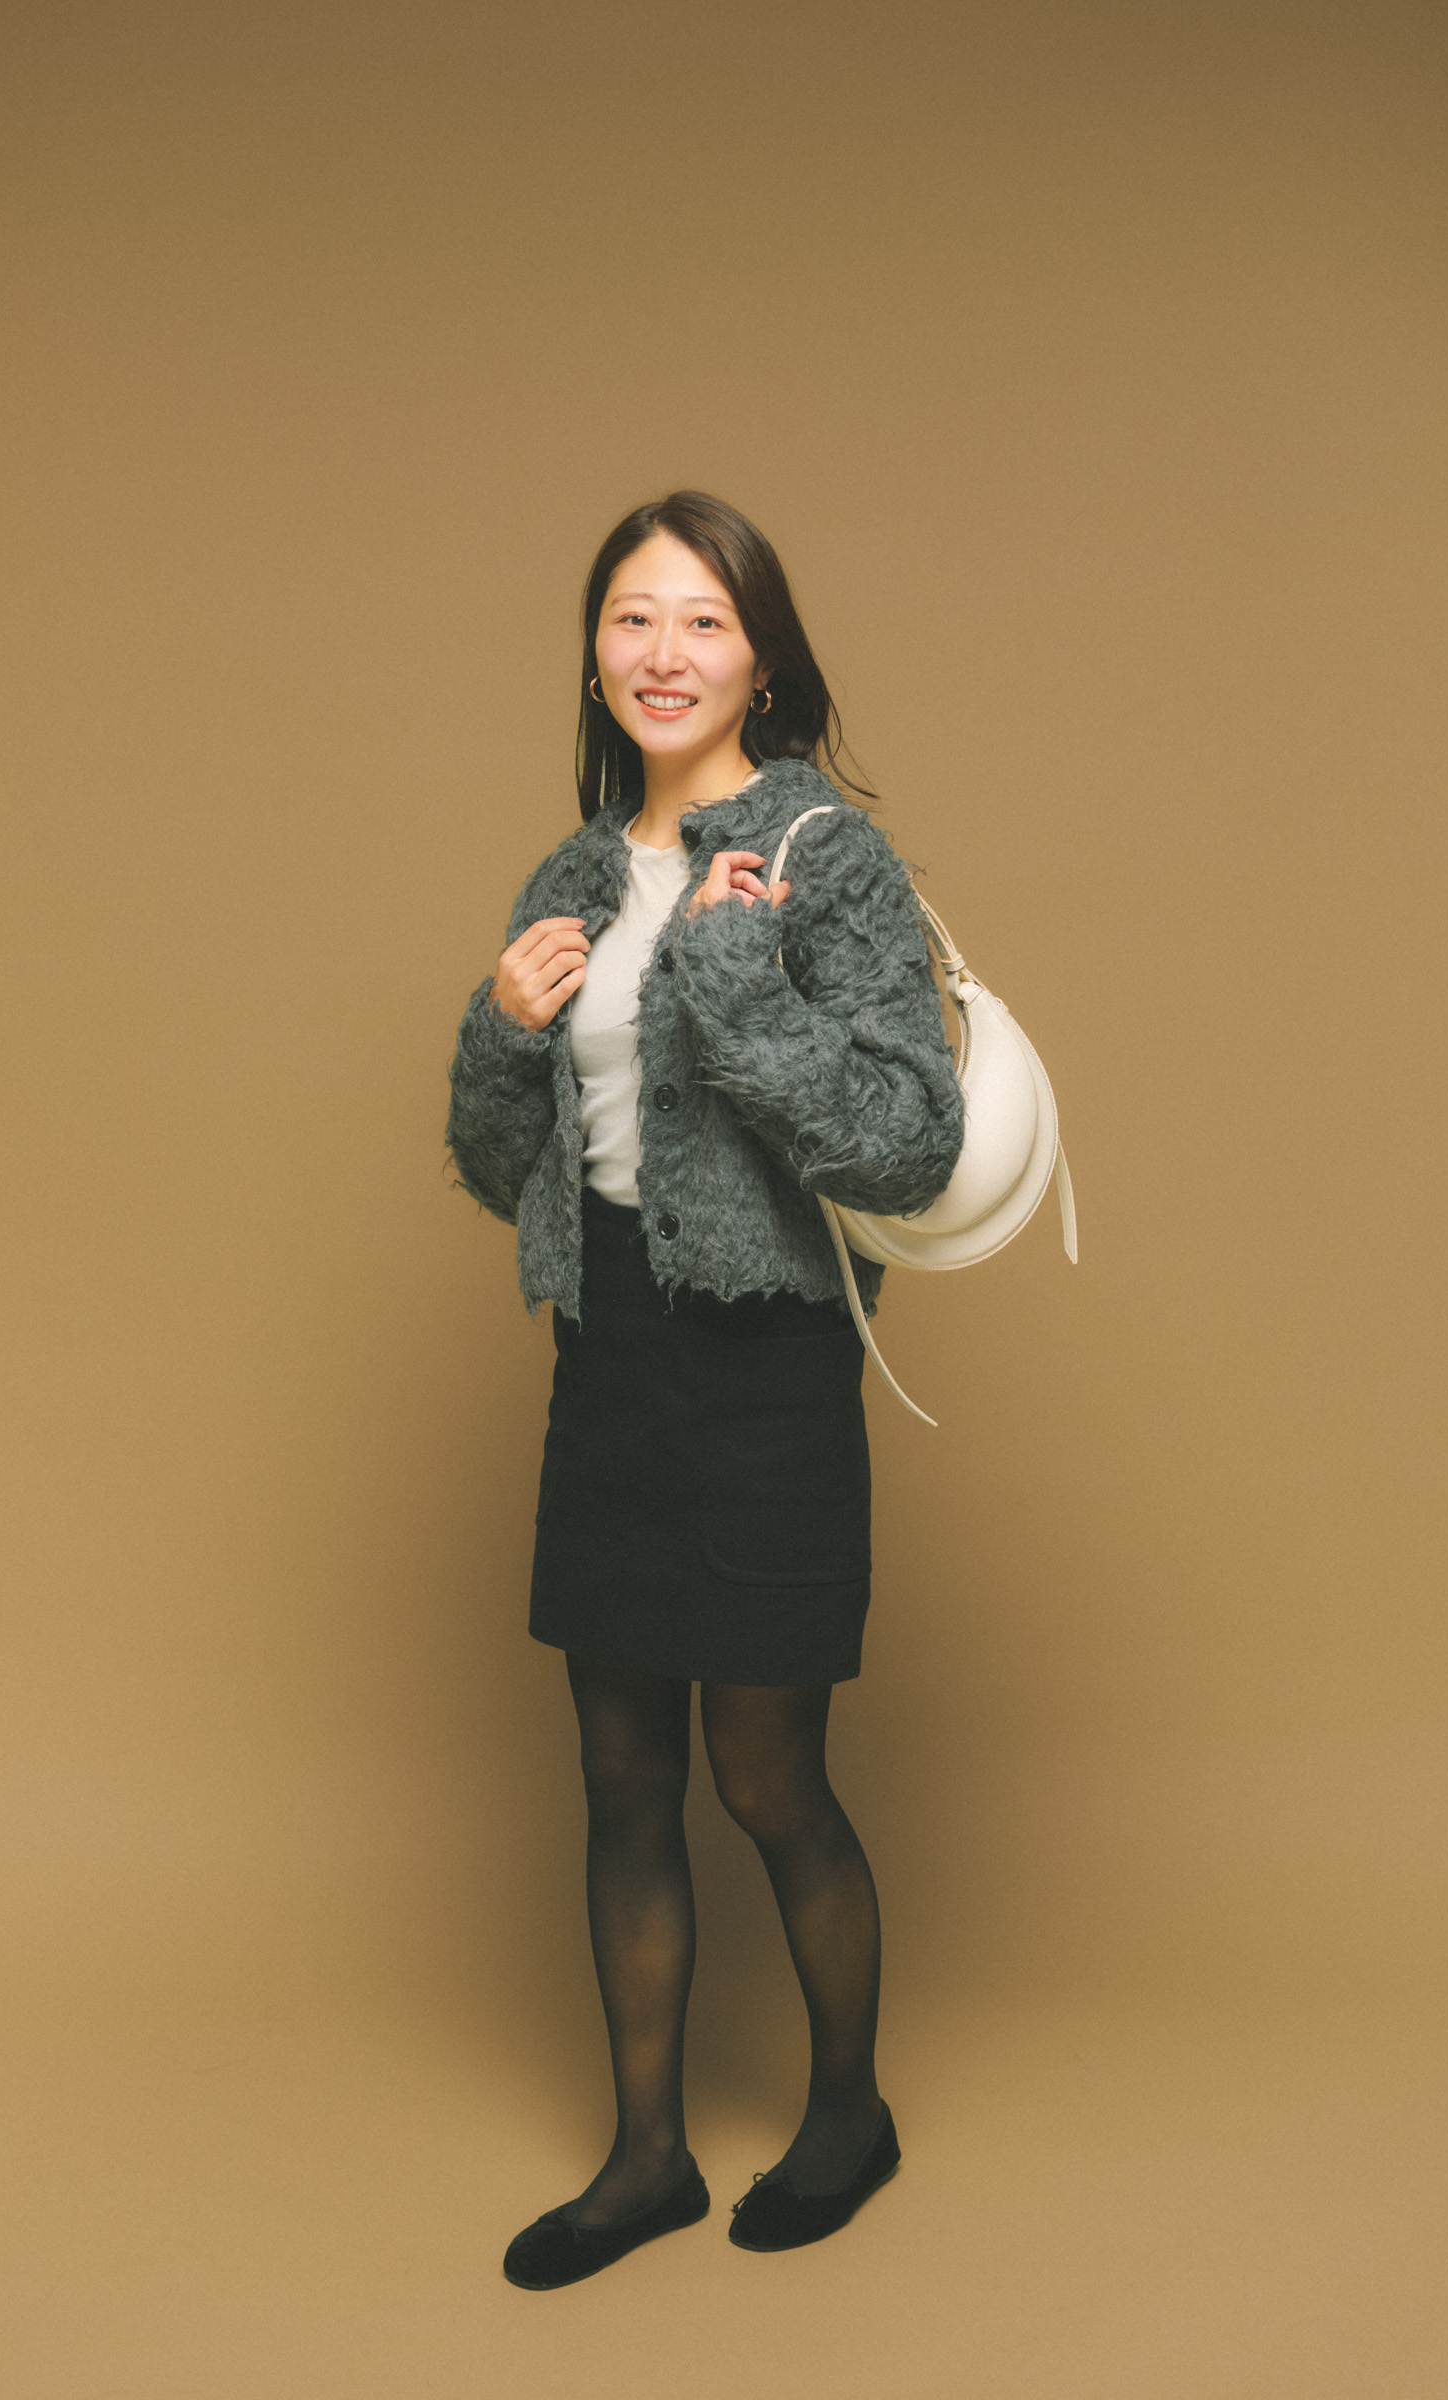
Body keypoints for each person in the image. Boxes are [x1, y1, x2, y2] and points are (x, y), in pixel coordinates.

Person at [444, 491, 963, 2289]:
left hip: (766, 1366)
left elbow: (905, 1139)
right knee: (618, 1779)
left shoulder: (830, 855)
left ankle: (849, 2115)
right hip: (609, 1362)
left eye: (704, 621)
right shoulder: (573, 871)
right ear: (595, 650)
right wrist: (503, 1028)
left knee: (766, 1780)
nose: (663, 653)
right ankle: (647, 2157)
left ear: (763, 660)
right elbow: (498, 1160)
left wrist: (738, 984)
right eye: (631, 617)